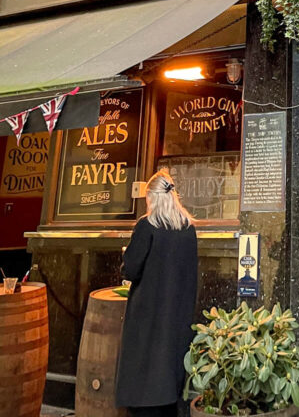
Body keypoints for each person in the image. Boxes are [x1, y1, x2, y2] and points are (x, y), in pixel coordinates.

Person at [115, 170, 198, 417]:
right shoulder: (188, 229)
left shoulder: (147, 226)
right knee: (169, 372)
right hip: (178, 314)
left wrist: (124, 256)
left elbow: (131, 268)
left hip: (147, 314)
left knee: (143, 376)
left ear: (152, 197)